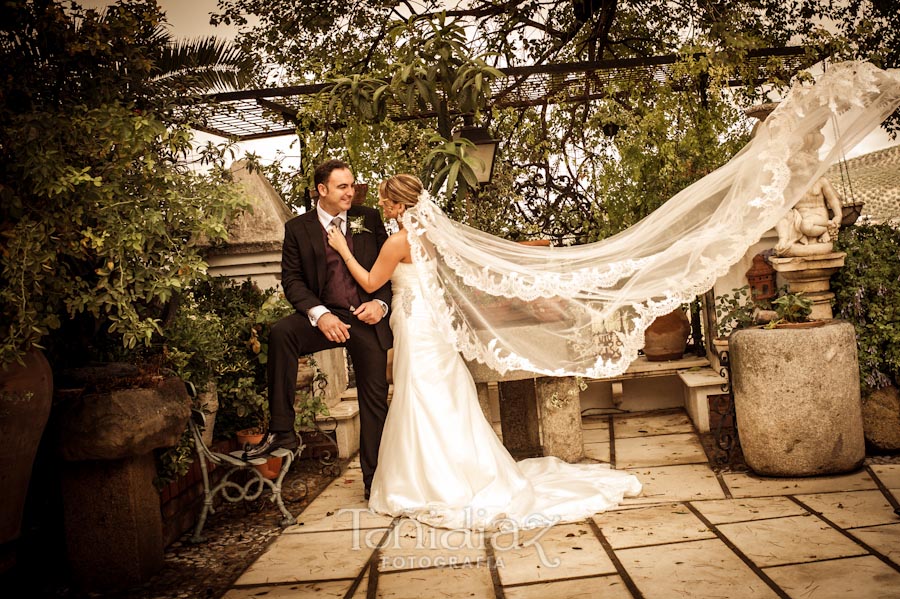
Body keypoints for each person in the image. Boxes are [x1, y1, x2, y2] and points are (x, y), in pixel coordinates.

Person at [327, 174, 642, 530]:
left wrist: (342, 249)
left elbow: (370, 282)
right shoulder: (431, 237)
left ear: (400, 206)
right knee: (444, 396)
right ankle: (462, 473)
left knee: (420, 394)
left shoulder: (398, 242)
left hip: (416, 326)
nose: (382, 206)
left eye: (387, 201)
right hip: (434, 324)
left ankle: (430, 482)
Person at [244, 159, 392, 501]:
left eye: (352, 185)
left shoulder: (368, 218)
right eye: (342, 187)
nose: (350, 192)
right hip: (326, 316)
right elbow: (292, 280)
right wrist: (320, 314)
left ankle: (375, 481)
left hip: (364, 316)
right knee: (282, 332)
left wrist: (380, 305)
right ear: (321, 190)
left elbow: (386, 270)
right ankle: (283, 431)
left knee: (374, 396)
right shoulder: (298, 228)